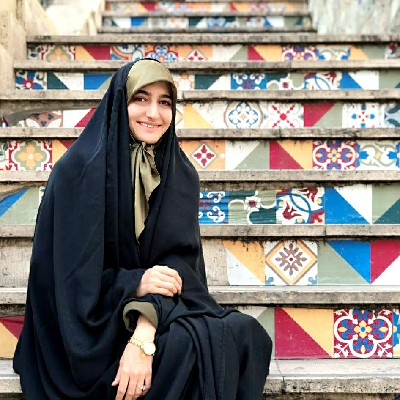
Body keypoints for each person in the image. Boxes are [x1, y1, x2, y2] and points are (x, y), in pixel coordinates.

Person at [13, 59, 272, 400]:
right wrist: (134, 282)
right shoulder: (77, 173)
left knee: (244, 335)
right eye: (140, 98)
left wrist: (144, 333)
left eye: (164, 102)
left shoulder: (180, 174)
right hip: (87, 327)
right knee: (184, 348)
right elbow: (68, 280)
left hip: (153, 312)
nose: (153, 113)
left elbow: (179, 270)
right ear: (120, 102)